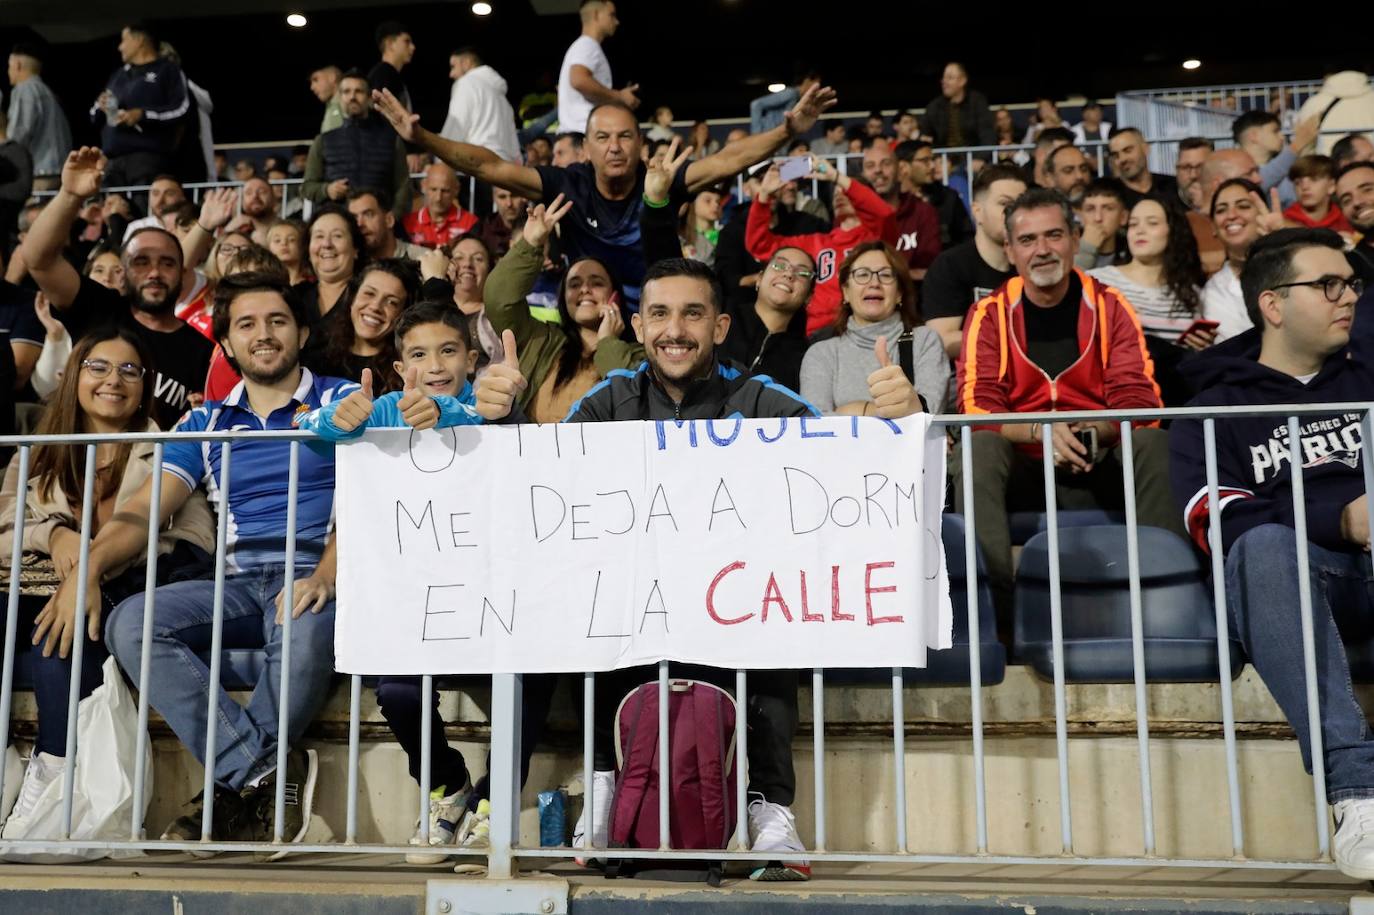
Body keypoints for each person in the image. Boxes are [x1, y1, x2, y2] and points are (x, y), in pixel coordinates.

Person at [480, 255, 818, 881]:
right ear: (637, 327)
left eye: (693, 314)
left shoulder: (765, 402)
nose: (675, 330)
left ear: (720, 327)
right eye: (659, 314)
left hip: (732, 604)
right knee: (597, 607)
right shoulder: (607, 401)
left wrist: (896, 418)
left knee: (781, 621)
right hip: (637, 603)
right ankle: (607, 786)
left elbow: (841, 471)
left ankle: (770, 808)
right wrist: (506, 419)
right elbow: (545, 475)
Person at [66, 271, 418, 851]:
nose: (263, 334)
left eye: (277, 320)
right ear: (225, 343)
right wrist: (87, 567)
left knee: (300, 619)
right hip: (234, 586)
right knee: (132, 621)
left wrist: (326, 572)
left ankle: (227, 796)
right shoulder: (204, 423)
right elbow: (143, 511)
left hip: (323, 574)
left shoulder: (341, 399)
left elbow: (375, 497)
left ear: (301, 330)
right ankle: (260, 772)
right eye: (246, 324)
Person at [1166, 228, 1374, 881]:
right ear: (1273, 305)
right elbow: (1216, 518)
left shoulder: (1368, 376)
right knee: (1260, 544)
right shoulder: (1212, 408)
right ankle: (1360, 795)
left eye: (1353, 284)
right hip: (1301, 578)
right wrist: (1339, 517)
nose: (1349, 298)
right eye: (1329, 285)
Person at [293, 301, 508, 860]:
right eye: (417, 354)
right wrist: (336, 419)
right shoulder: (381, 408)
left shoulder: (490, 406)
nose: (434, 364)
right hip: (409, 599)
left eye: (447, 350)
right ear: (397, 365)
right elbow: (311, 431)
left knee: (528, 683)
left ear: (471, 357)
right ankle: (447, 789)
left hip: (490, 596)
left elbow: (490, 433)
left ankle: (493, 804)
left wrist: (451, 418)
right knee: (397, 691)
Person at [0, 327, 216, 839]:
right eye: (98, 367)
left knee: (59, 642)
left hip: (122, 591)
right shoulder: (37, 449)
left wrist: (98, 561)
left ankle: (50, 782)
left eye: (129, 370)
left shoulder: (167, 449)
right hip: (32, 587)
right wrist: (54, 537)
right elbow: (3, 520)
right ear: (76, 374)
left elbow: (195, 534)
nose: (112, 380)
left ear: (144, 384)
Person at [373, 83, 837, 311]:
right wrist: (425, 139)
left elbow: (728, 161)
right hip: (591, 317)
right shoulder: (567, 183)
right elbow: (488, 166)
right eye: (603, 137)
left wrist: (786, 130)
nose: (614, 147)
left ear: (640, 143)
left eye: (625, 136)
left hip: (660, 316)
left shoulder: (663, 179)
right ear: (587, 145)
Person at [953, 187, 1179, 626]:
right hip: (1020, 469)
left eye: (1054, 235)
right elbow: (977, 411)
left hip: (1098, 465)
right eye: (1027, 240)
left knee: (1152, 441)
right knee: (976, 450)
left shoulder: (1111, 305)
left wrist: (1090, 433)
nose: (1042, 250)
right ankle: (990, 619)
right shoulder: (989, 313)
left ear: (1075, 240)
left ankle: (1169, 605)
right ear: (1009, 250)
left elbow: (1141, 402)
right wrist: (1040, 431)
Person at [22, 148, 215, 428]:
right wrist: (70, 195)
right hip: (80, 464)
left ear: (182, 272)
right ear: (123, 272)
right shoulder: (100, 308)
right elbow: (38, 259)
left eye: (167, 263)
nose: (154, 272)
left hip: (154, 469)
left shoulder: (203, 352)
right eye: (141, 261)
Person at [483, 195, 642, 422]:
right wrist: (530, 245)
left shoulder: (638, 354)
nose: (585, 289)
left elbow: (631, 399)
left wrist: (608, 343)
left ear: (615, 295)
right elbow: (498, 300)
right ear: (562, 298)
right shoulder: (541, 338)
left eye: (597, 283)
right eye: (574, 284)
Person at [747, 160, 894, 336]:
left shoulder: (876, 240)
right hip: (815, 337)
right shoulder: (815, 242)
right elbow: (760, 245)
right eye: (836, 192)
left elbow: (884, 215)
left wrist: (835, 176)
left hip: (865, 328)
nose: (839, 195)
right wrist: (764, 195)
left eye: (847, 192)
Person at [800, 241, 947, 415]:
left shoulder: (925, 341)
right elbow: (816, 425)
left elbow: (932, 412)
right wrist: (889, 412)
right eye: (862, 275)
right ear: (846, 291)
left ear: (899, 292)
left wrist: (854, 411)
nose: (874, 283)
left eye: (885, 275)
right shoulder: (821, 353)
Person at [1089, 196, 1208, 406]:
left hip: (1176, 398)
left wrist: (1202, 346)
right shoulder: (1099, 281)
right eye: (1134, 224)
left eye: (1152, 223)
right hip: (1116, 392)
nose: (1140, 230)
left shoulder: (1191, 294)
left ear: (1172, 231)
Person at [922, 163, 1026, 358]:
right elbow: (941, 341)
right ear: (977, 211)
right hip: (967, 379)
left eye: (1021, 205)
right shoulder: (950, 265)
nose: (1014, 213)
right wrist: (1012, 338)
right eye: (1005, 204)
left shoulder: (1031, 262)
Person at [302, 70, 412, 222]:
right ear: (340, 98)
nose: (352, 97)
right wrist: (327, 190)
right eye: (347, 92)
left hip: (379, 226)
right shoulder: (322, 141)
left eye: (358, 91)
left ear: (368, 98)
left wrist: (393, 216)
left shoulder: (392, 140)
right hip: (338, 224)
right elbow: (307, 187)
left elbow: (403, 186)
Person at [91, 23, 188, 187]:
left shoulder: (167, 70)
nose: (119, 47)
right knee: (111, 210)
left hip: (147, 159)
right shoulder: (119, 75)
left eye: (124, 40)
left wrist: (142, 115)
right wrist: (100, 106)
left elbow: (181, 109)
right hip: (112, 161)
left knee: (144, 209)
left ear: (139, 40)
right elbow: (93, 115)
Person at [304, 258, 418, 388]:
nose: (375, 306)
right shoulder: (316, 360)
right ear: (352, 298)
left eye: (391, 302)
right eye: (369, 293)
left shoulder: (407, 372)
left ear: (403, 313)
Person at [1202, 178, 1286, 341]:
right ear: (1213, 226)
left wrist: (1280, 239)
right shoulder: (1212, 293)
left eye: (1243, 206)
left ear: (1263, 214)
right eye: (1221, 210)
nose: (1231, 215)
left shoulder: (1291, 268)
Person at [557, 0, 638, 135]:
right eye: (611, 15)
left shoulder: (582, 45)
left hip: (578, 133)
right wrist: (620, 97)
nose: (616, 21)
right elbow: (579, 80)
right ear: (596, 15)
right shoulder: (587, 44)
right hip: (581, 132)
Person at [862, 143, 941, 281]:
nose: (878, 170)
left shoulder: (923, 212)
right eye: (870, 166)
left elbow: (931, 269)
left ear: (900, 171)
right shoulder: (854, 216)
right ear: (863, 175)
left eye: (886, 164)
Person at [7, 43, 71, 191]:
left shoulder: (25, 89)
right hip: (58, 171)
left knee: (30, 214)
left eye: (8, 66)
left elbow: (19, 133)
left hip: (40, 173)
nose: (8, 71)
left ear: (17, 65)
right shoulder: (47, 92)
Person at [440, 48, 520, 164]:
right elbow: (514, 145)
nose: (451, 74)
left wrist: (439, 158)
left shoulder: (466, 83)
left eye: (453, 66)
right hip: (505, 168)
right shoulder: (503, 99)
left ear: (467, 63)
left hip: (480, 166)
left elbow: (456, 126)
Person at [1232, 110, 1321, 209]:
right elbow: (1255, 183)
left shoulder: (1286, 167)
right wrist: (1298, 144)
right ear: (1254, 136)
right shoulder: (1232, 168)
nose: (1282, 137)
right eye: (1275, 131)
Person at [897, 139, 974, 247]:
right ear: (903, 166)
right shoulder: (891, 201)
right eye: (925, 161)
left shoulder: (949, 197)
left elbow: (966, 237)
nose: (933, 166)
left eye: (932, 160)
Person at [303, 204, 367, 324]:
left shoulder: (369, 299)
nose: (327, 244)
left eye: (337, 236)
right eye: (319, 236)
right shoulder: (294, 298)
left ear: (355, 249)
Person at [919, 62, 995, 150]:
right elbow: (925, 135)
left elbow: (988, 135)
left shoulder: (977, 101)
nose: (944, 82)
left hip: (973, 156)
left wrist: (980, 158)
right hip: (943, 159)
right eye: (943, 78)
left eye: (950, 78)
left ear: (962, 80)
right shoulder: (934, 106)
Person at [403, 162, 477, 248]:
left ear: (456, 190)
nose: (438, 198)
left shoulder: (470, 223)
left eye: (445, 191)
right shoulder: (409, 223)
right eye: (433, 189)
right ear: (423, 186)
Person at [1107, 128, 1178, 210]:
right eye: (1115, 155)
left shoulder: (1173, 186)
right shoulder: (1110, 195)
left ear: (1145, 149)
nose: (1122, 159)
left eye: (1128, 151)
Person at [348, 188, 426, 262]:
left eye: (368, 215)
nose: (359, 224)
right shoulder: (351, 265)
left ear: (389, 220)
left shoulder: (421, 259)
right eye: (354, 218)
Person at [1283, 155, 1354, 234]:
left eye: (1314, 179)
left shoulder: (1346, 222)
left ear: (1332, 186)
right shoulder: (1283, 221)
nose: (1304, 187)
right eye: (1297, 182)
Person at [1074, 179, 1127, 270]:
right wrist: (1086, 249)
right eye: (1090, 209)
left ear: (1123, 217)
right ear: (1081, 217)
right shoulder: (1065, 251)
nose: (1098, 218)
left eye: (1108, 208)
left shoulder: (1134, 253)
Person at [751, 73, 822, 135]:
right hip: (768, 137)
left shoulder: (799, 99)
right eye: (816, 84)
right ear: (807, 81)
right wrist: (756, 134)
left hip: (778, 140)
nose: (818, 89)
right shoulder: (791, 93)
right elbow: (756, 104)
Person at [368, 21, 415, 113]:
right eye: (407, 41)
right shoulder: (384, 74)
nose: (413, 47)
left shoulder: (388, 73)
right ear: (390, 44)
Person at [475, 186, 527, 259]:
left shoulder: (539, 226)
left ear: (524, 197)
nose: (509, 204)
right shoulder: (481, 230)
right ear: (494, 198)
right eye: (502, 197)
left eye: (514, 196)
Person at [267, 218, 312, 285]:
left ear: (302, 246)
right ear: (268, 248)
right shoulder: (265, 283)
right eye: (277, 240)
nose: (284, 243)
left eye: (291, 240)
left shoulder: (312, 282)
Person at [1175, 137, 1213, 212]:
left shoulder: (1225, 200)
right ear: (1177, 170)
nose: (1193, 175)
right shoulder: (1164, 202)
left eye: (1201, 167)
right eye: (1186, 167)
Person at [309, 65, 343, 133]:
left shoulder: (348, 104)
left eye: (316, 80)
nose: (312, 87)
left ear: (332, 77)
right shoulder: (331, 105)